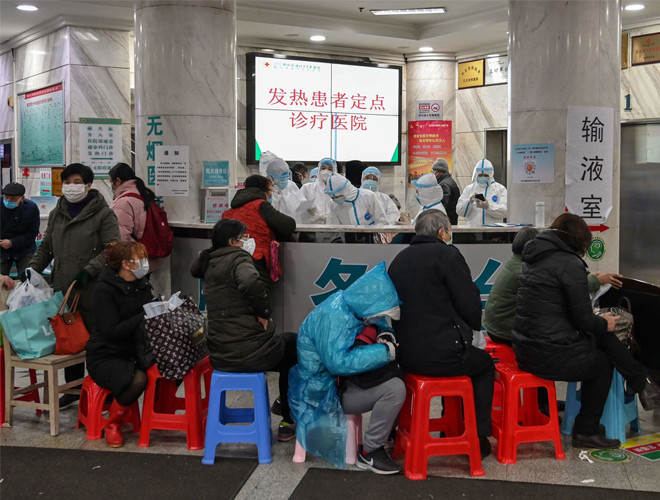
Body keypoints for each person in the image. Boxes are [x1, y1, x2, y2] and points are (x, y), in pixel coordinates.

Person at [512, 213, 660, 449]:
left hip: (525, 347)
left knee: (601, 336)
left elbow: (556, 308)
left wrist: (597, 323)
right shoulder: (569, 264)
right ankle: (587, 430)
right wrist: (604, 323)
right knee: (603, 362)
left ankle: (641, 383)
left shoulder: (534, 257)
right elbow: (582, 319)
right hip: (548, 353)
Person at [388, 209, 494, 458]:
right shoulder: (448, 256)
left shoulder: (399, 259)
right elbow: (469, 302)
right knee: (484, 365)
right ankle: (477, 437)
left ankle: (444, 424)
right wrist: (474, 330)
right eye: (448, 231)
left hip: (406, 357)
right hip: (444, 354)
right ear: (441, 232)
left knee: (459, 354)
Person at [288, 262, 404, 473]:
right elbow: (339, 363)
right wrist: (386, 351)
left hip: (337, 383)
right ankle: (370, 452)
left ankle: (384, 435)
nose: (380, 318)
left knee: (397, 377)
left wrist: (386, 333)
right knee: (395, 389)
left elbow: (376, 319)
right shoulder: (334, 318)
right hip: (324, 393)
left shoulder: (348, 304)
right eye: (380, 314)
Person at [190, 219, 297, 441]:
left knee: (285, 343)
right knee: (294, 347)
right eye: (243, 237)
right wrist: (263, 311)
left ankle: (282, 404)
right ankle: (288, 419)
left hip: (220, 355)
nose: (248, 241)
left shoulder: (209, 262)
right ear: (232, 241)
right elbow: (249, 282)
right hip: (250, 354)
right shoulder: (238, 258)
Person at [29, 163, 120, 409]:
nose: (71, 187)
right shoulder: (58, 212)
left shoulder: (104, 214)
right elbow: (47, 246)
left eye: (76, 182)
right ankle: (73, 388)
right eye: (67, 182)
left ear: (88, 185)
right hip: (63, 286)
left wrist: (89, 270)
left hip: (93, 287)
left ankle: (103, 390)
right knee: (70, 337)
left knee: (96, 341)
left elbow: (113, 248)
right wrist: (33, 268)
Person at [485, 227, 626, 346]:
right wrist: (595, 280)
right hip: (505, 332)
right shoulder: (525, 270)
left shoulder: (518, 262)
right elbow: (562, 287)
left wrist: (586, 277)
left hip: (499, 326)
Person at [86, 241, 155, 447]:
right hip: (106, 354)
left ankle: (157, 415)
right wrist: (144, 315)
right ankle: (113, 424)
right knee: (138, 379)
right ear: (126, 264)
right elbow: (110, 332)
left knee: (171, 365)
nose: (145, 263)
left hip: (136, 348)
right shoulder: (104, 291)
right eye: (140, 259)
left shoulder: (142, 284)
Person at [222, 174, 296, 287]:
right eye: (270, 190)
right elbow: (288, 225)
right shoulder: (261, 205)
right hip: (255, 261)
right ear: (263, 191)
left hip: (229, 261)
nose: (271, 194)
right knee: (257, 295)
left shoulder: (228, 212)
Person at [108, 162, 156, 244]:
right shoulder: (140, 192)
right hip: (143, 246)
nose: (111, 185)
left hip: (129, 249)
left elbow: (121, 236)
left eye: (111, 182)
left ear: (118, 181)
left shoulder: (123, 202)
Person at [1, 182, 40, 277]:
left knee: (27, 279)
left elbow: (32, 233)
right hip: (1, 250)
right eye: (6, 197)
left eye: (13, 199)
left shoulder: (31, 208)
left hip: (25, 250)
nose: (8, 200)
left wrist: (12, 242)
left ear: (22, 198)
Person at [456, 159, 507, 226]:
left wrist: (489, 207)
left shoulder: (500, 189)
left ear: (491, 174)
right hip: (473, 229)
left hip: (493, 230)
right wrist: (469, 202)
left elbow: (505, 211)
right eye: (480, 175)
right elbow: (459, 211)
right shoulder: (469, 189)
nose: (482, 177)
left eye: (485, 175)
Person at [325, 173, 389, 226]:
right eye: (334, 198)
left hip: (372, 235)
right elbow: (333, 227)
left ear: (346, 190)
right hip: (347, 236)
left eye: (339, 196)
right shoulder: (334, 204)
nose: (337, 199)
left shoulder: (368, 196)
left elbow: (382, 221)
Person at [264, 155, 304, 222]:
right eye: (281, 179)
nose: (284, 182)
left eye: (285, 178)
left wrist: (310, 209)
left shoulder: (291, 185)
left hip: (294, 224)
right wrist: (275, 196)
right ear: (270, 177)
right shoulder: (265, 189)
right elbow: (268, 211)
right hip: (276, 225)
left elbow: (301, 201)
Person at [300, 157, 337, 223]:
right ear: (318, 170)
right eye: (323, 168)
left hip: (333, 227)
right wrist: (308, 208)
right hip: (312, 227)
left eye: (330, 169)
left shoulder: (338, 190)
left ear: (334, 171)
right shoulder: (307, 188)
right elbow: (298, 204)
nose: (326, 171)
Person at [431, 158, 460, 225]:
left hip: (445, 221)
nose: (433, 173)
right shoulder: (449, 181)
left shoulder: (444, 184)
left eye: (434, 171)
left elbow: (442, 206)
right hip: (450, 219)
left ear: (439, 171)